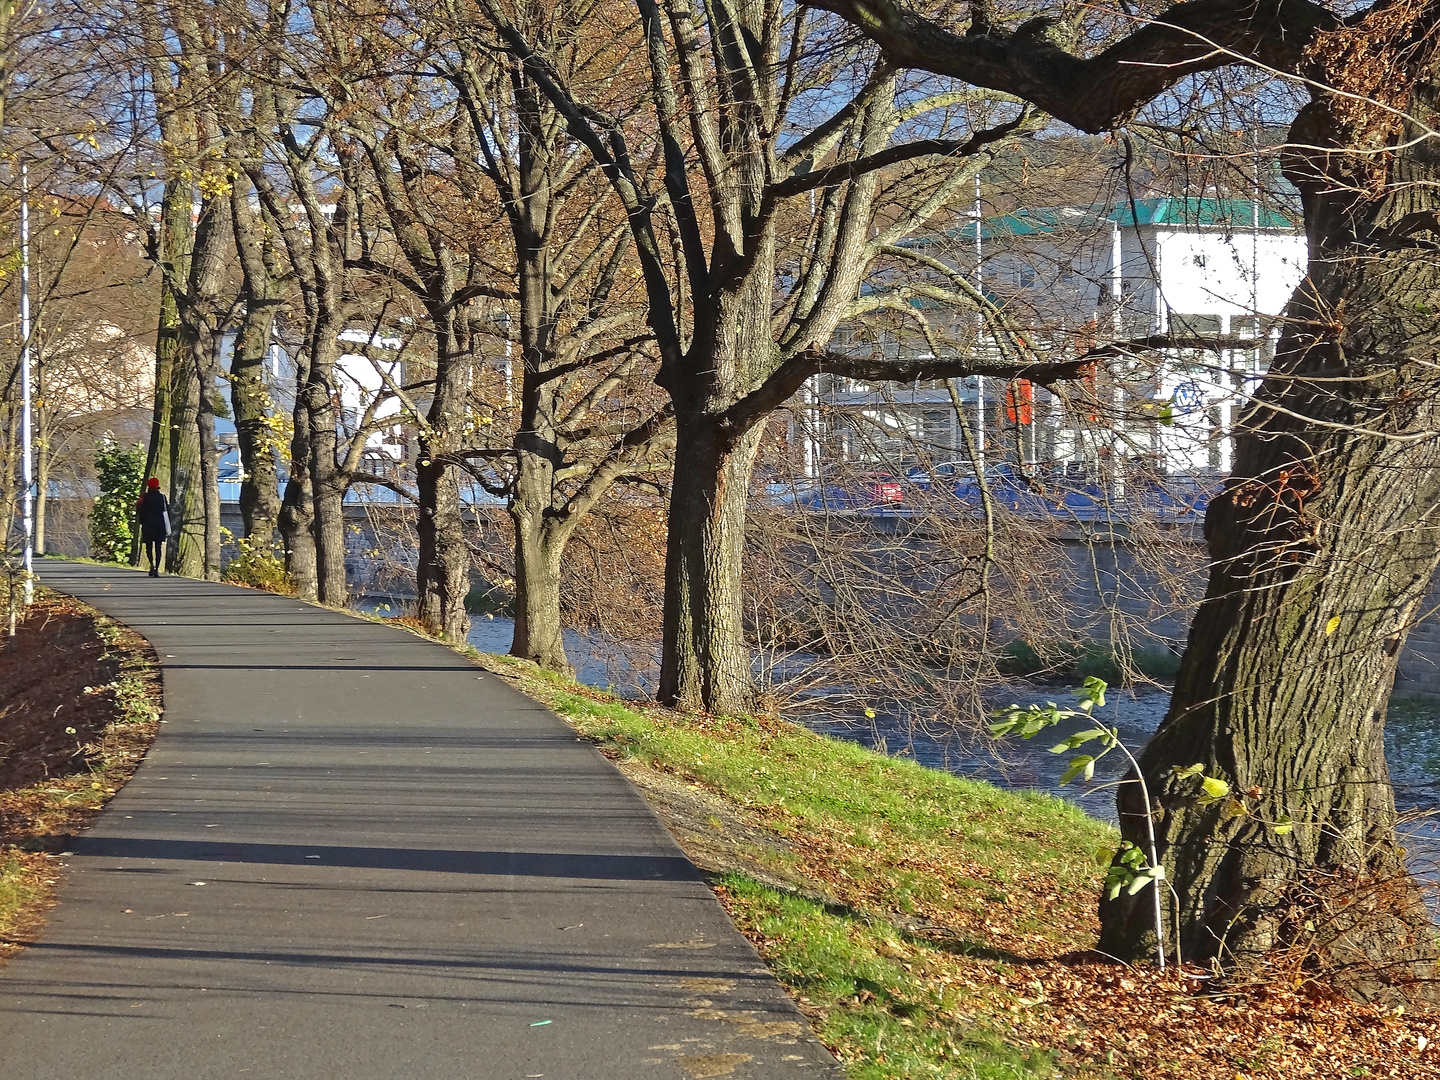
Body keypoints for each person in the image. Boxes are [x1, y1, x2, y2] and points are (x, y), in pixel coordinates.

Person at [136, 478, 170, 577]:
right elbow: (166, 510)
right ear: (157, 486)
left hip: (148, 525)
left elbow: (139, 510)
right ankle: (157, 569)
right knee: (158, 547)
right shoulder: (162, 498)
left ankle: (152, 565)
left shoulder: (144, 497)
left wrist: (142, 521)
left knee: (149, 547)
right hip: (159, 525)